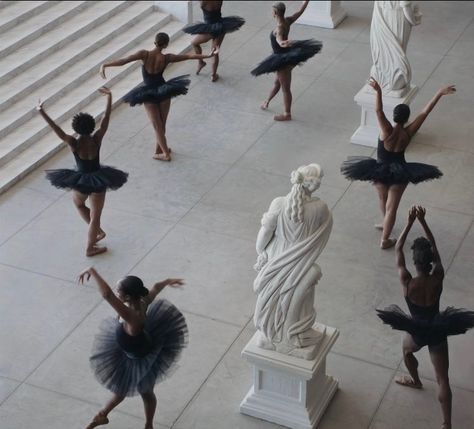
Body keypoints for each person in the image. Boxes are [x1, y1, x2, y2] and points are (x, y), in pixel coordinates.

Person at [376, 206, 474, 429]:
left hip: (418, 331)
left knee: (406, 350)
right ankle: (447, 424)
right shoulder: (438, 276)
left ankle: (415, 380)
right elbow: (437, 248)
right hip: (438, 330)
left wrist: (410, 221)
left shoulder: (407, 281)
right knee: (443, 379)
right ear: (430, 261)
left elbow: (398, 247)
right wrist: (423, 222)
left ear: (415, 262)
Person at [341, 78, 454, 249]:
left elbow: (378, 111)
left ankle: (385, 229)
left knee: (382, 197)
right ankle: (385, 236)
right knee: (391, 208)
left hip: (379, 170)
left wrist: (378, 91)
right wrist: (438, 93)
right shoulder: (408, 132)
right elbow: (425, 112)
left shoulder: (386, 130)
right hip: (400, 172)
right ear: (407, 118)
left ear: (393, 116)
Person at [78, 267, 187, 429]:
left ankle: (147, 425)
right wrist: (167, 281)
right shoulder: (142, 301)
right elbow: (156, 287)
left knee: (144, 392)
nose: (116, 292)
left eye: (119, 291)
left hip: (139, 358)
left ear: (128, 296)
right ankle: (102, 416)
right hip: (131, 350)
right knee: (123, 390)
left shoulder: (132, 316)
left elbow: (107, 295)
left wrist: (92, 271)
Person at [253, 164, 333, 359]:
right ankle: (297, 333)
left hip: (276, 260)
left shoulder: (279, 203)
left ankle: (272, 335)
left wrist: (261, 252)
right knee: (301, 294)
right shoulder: (320, 208)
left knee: (274, 300)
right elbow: (320, 233)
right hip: (301, 262)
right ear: (313, 184)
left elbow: (264, 233)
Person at [38, 87, 128, 257]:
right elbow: (106, 120)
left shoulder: (73, 142)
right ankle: (91, 244)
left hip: (79, 182)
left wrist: (42, 112)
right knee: (95, 216)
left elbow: (57, 130)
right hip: (99, 181)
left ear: (75, 128)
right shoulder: (96, 139)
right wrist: (109, 98)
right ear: (91, 126)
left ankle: (96, 236)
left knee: (79, 204)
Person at [100, 32, 216, 161]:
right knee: (162, 123)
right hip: (163, 91)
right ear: (166, 45)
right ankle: (160, 148)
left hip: (148, 93)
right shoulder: (167, 58)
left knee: (157, 126)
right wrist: (209, 55)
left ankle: (165, 153)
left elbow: (123, 61)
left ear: (155, 42)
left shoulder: (144, 54)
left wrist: (106, 65)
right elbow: (189, 56)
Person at [251, 1, 322, 121]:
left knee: (285, 88)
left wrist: (283, 43)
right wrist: (306, 1)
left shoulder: (279, 28)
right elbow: (300, 11)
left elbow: (279, 40)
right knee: (277, 83)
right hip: (286, 56)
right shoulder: (287, 21)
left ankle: (287, 114)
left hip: (282, 61)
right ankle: (267, 100)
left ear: (274, 13)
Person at [183, 0, 245, 81]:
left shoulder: (203, 2)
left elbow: (202, 6)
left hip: (210, 28)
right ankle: (213, 75)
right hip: (221, 26)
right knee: (215, 51)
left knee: (194, 43)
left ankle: (201, 62)